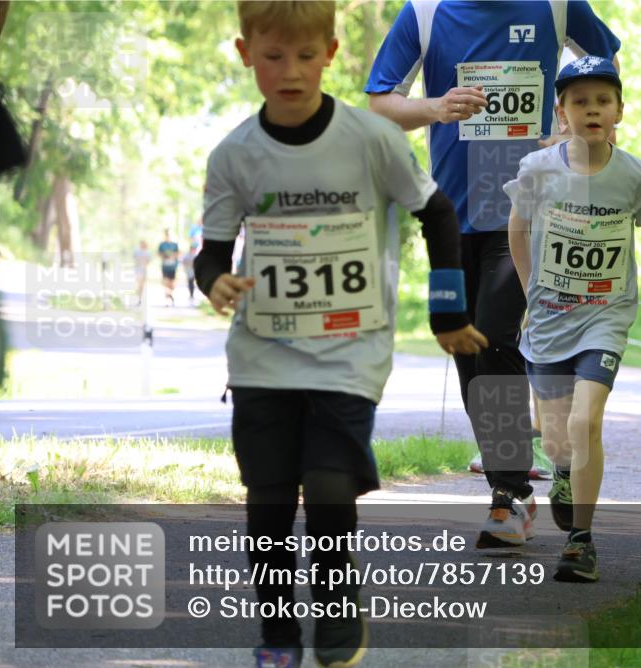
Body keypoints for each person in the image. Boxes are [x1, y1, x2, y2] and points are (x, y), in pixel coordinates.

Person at [194, 3, 484, 666]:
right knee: (268, 505)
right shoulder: (234, 154)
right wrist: (215, 283)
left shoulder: (371, 139)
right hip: (262, 355)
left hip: (350, 351)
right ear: (245, 53)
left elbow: (437, 214)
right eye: (273, 57)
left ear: (328, 52)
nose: (289, 71)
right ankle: (276, 637)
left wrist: (447, 314)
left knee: (327, 489)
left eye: (304, 56)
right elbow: (211, 253)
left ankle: (335, 604)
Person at [365, 1, 620, 547]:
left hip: (531, 214)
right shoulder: (426, 13)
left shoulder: (555, 6)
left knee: (497, 334)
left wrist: (575, 129)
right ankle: (532, 467)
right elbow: (379, 104)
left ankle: (510, 493)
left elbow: (604, 61)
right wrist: (435, 107)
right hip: (453, 214)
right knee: (468, 344)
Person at [506, 56, 641, 581]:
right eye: (580, 101)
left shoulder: (636, 175)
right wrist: (530, 294)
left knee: (586, 421)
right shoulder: (537, 170)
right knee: (557, 437)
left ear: (619, 112)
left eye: (602, 101)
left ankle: (581, 541)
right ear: (561, 112)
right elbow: (517, 231)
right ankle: (563, 472)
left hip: (605, 317)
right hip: (548, 318)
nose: (592, 109)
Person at [157, 230, 179, 307]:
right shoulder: (162, 245)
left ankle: (171, 295)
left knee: (172, 283)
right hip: (165, 266)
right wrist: (164, 255)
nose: (168, 236)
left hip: (173, 267)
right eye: (167, 235)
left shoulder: (175, 245)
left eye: (169, 235)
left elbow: (178, 253)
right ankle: (167, 299)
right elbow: (159, 253)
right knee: (165, 282)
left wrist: (172, 256)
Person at [133, 240, 151, 306]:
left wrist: (144, 263)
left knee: (142, 285)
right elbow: (134, 258)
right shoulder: (136, 251)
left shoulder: (147, 252)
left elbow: (148, 261)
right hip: (138, 270)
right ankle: (139, 298)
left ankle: (140, 298)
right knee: (139, 284)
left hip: (144, 270)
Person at [180, 241, 198, 305]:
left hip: (195, 271)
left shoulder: (196, 255)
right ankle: (191, 294)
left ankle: (192, 294)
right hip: (189, 271)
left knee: (192, 283)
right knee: (190, 283)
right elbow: (183, 261)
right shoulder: (187, 255)